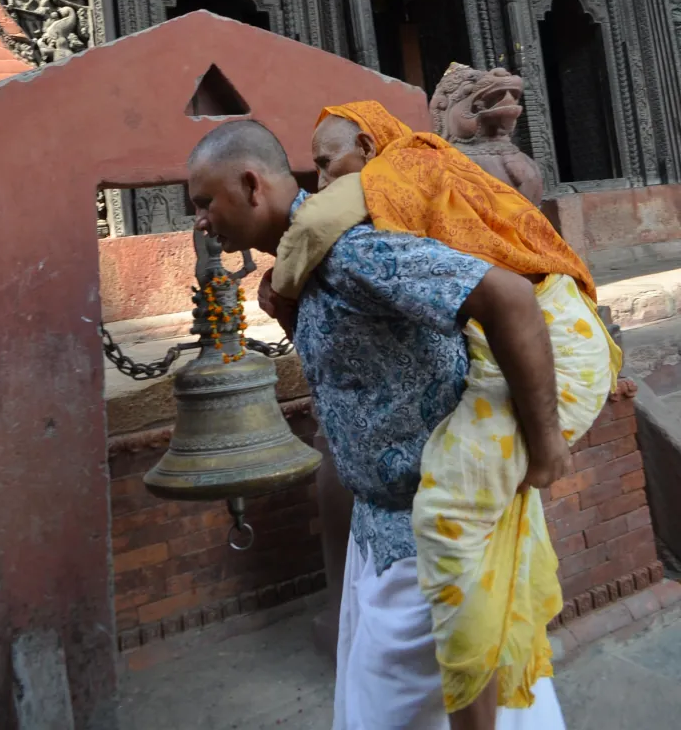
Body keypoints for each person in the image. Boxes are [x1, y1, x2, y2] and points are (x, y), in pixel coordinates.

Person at [187, 118, 580, 730]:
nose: (201, 222)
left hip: (436, 529)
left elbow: (508, 297)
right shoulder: (305, 266)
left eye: (205, 203)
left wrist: (546, 441)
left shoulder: (351, 250)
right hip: (382, 533)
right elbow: (356, 370)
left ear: (250, 184)